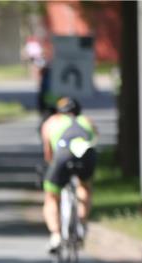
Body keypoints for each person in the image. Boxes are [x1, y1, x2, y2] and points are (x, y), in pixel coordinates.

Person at [40, 96, 98, 252]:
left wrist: (52, 168)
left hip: (63, 155)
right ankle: (81, 225)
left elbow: (48, 153)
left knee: (51, 196)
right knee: (84, 186)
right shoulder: (86, 120)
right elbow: (95, 140)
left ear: (59, 111)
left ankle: (56, 236)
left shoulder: (51, 122)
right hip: (86, 154)